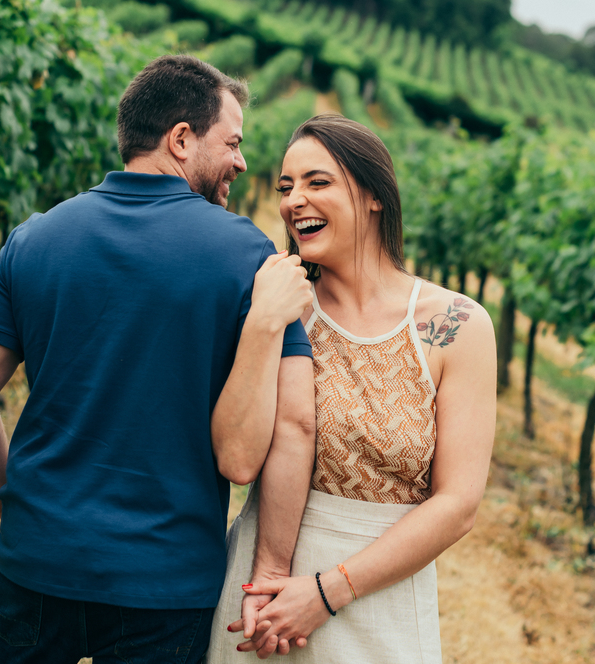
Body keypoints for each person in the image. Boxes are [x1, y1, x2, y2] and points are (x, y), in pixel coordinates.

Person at [0, 55, 317, 664]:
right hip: (166, 587)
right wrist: (271, 568)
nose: (243, 163)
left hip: (35, 564)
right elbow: (296, 423)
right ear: (180, 139)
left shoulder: (36, 237)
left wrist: (21, 508)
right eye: (233, 143)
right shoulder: (247, 256)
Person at [208, 114, 498, 662]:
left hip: (379, 600)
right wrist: (261, 325)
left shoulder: (458, 325)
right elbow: (234, 453)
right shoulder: (278, 304)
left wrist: (325, 592)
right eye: (285, 187)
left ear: (373, 196)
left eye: (318, 182)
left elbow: (458, 504)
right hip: (259, 599)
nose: (294, 201)